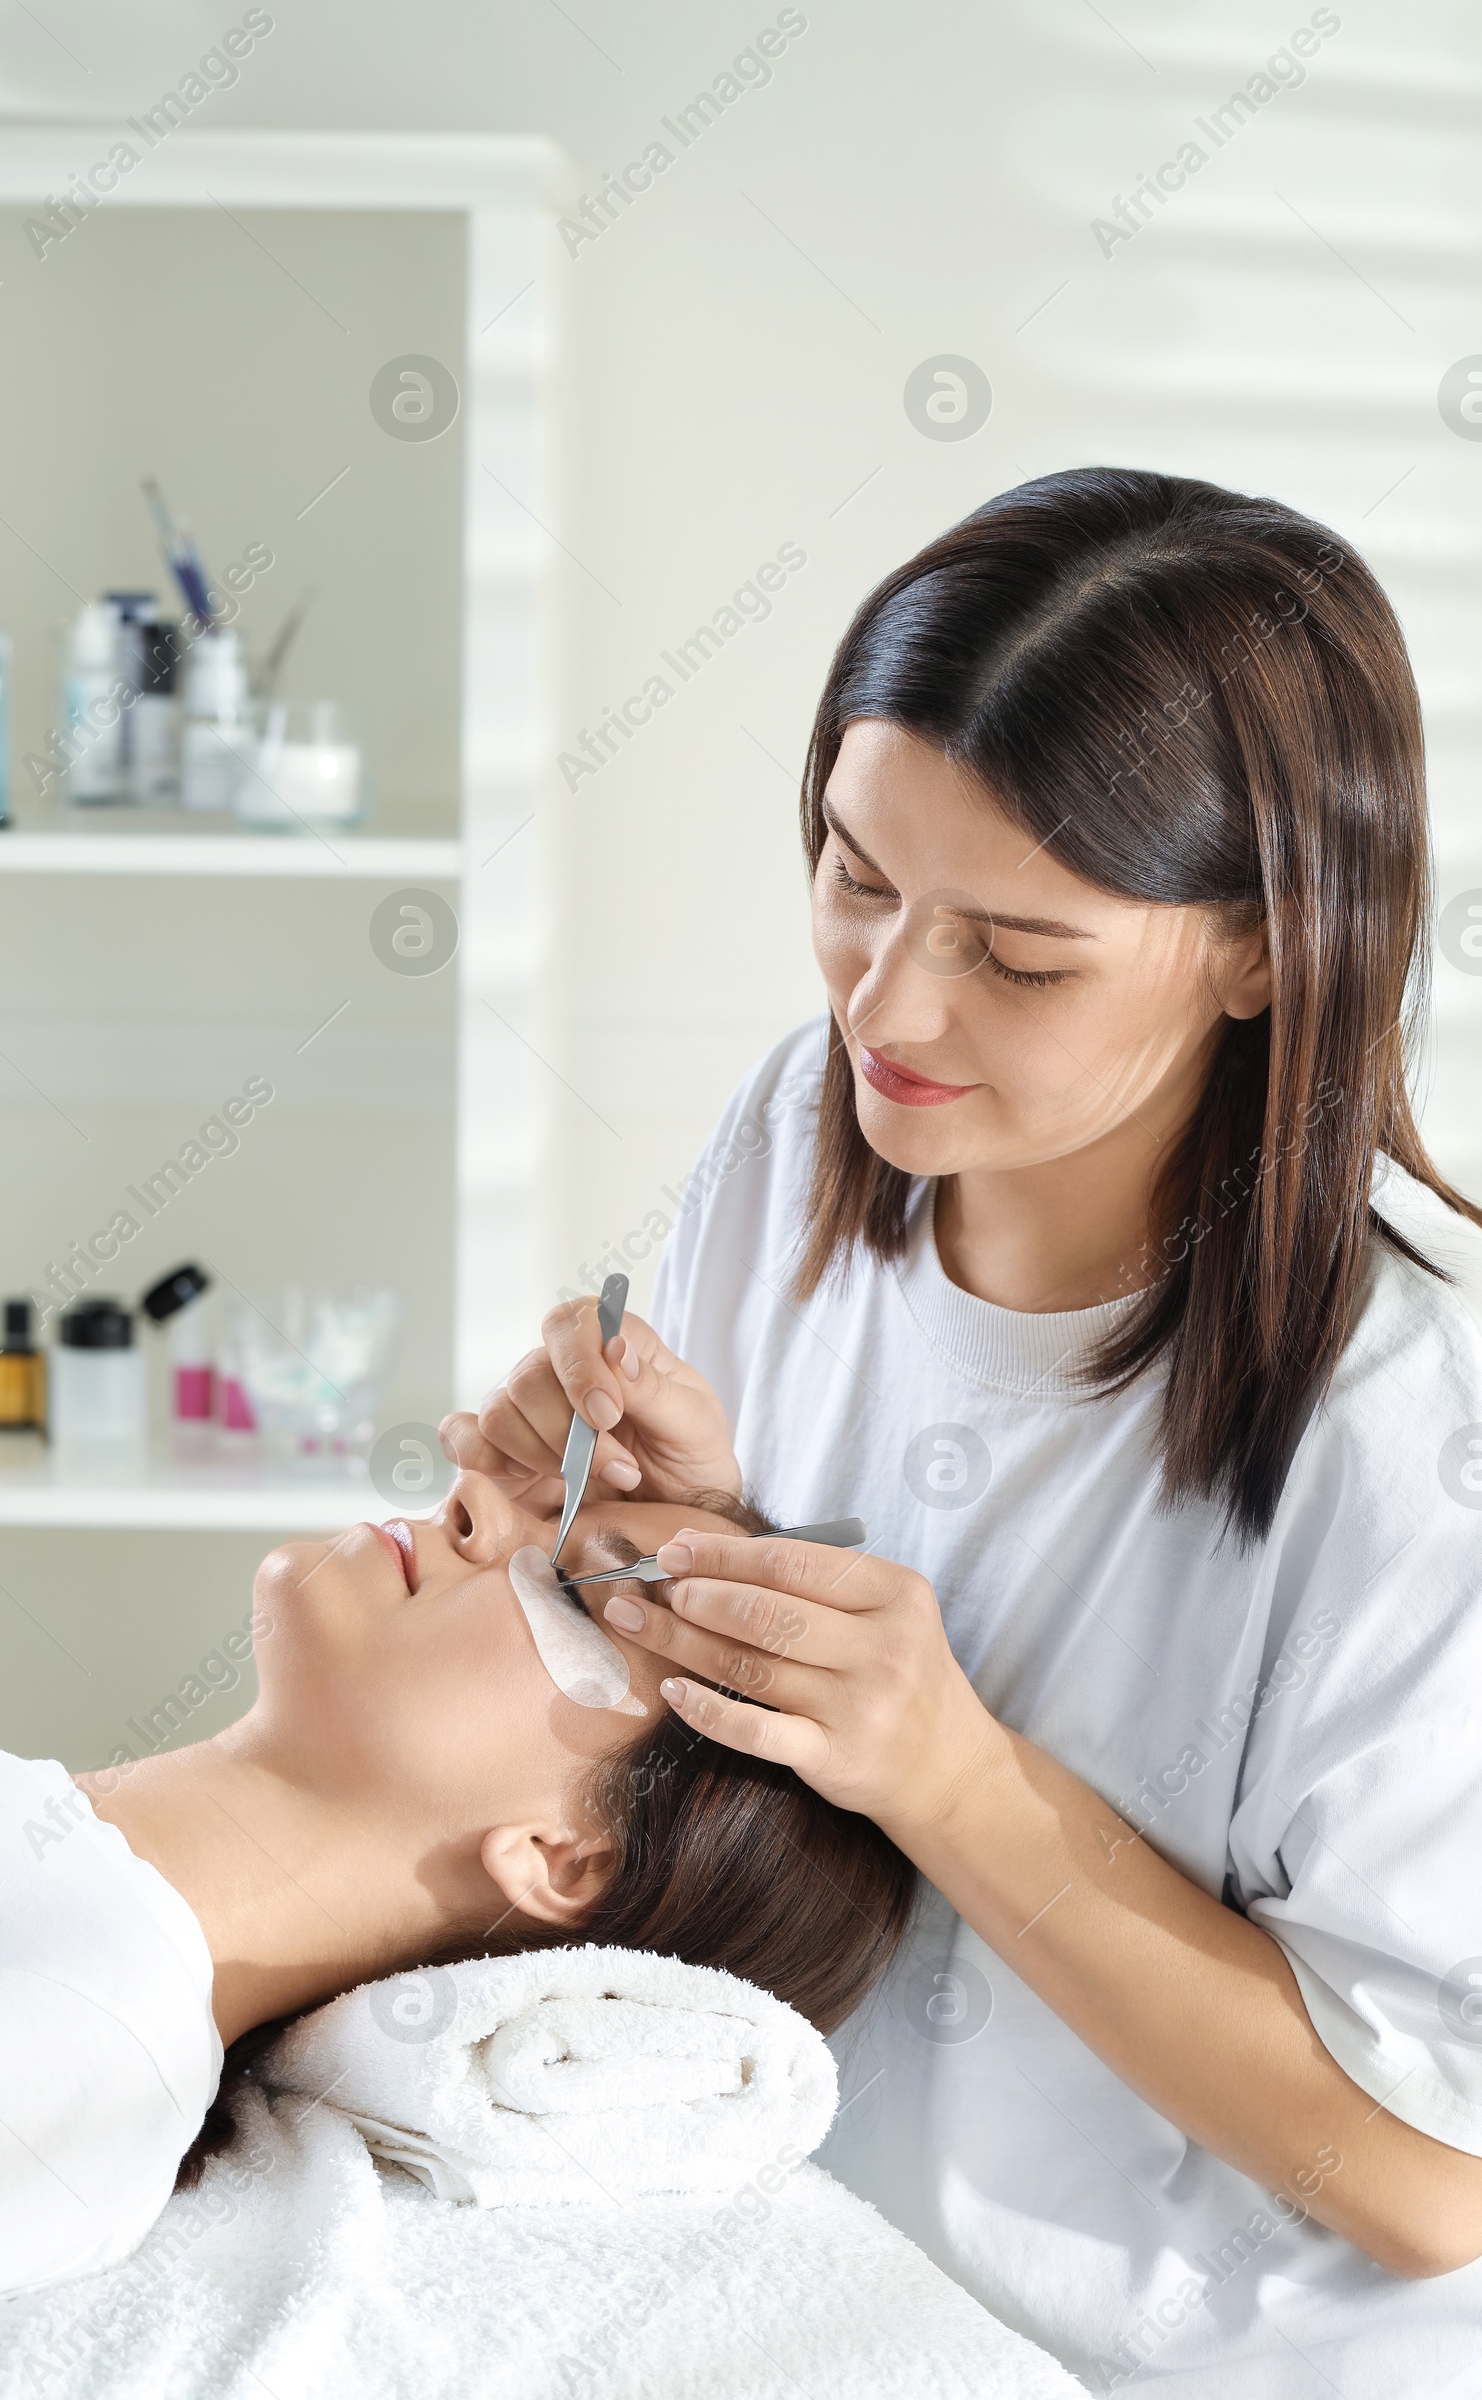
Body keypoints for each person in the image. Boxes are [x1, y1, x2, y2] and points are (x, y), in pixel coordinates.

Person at [441, 467, 1482, 2396]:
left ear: (1263, 946)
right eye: (853, 873)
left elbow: (1433, 2180)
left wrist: (957, 1777)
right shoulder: (806, 1127)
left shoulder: (1422, 1433)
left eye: (1018, 951)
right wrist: (665, 1534)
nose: (890, 1000)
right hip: (829, 2305)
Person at [0, 1476, 914, 2325]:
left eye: (566, 1587)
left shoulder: (79, 2047)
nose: (475, 1502)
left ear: (563, 1860)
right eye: (545, 1488)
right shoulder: (20, 1859)